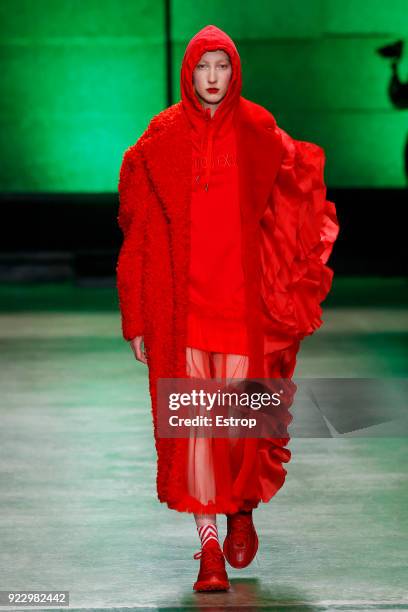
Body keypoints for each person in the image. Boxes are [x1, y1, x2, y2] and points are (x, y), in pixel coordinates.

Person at [116, 24, 339, 592]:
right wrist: (137, 317)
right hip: (182, 309)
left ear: (233, 71)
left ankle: (242, 509)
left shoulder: (259, 129)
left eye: (221, 67)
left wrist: (290, 278)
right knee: (196, 438)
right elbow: (138, 232)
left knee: (240, 434)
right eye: (202, 68)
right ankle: (209, 548)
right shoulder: (159, 139)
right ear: (188, 73)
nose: (212, 78)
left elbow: (300, 190)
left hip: (246, 310)